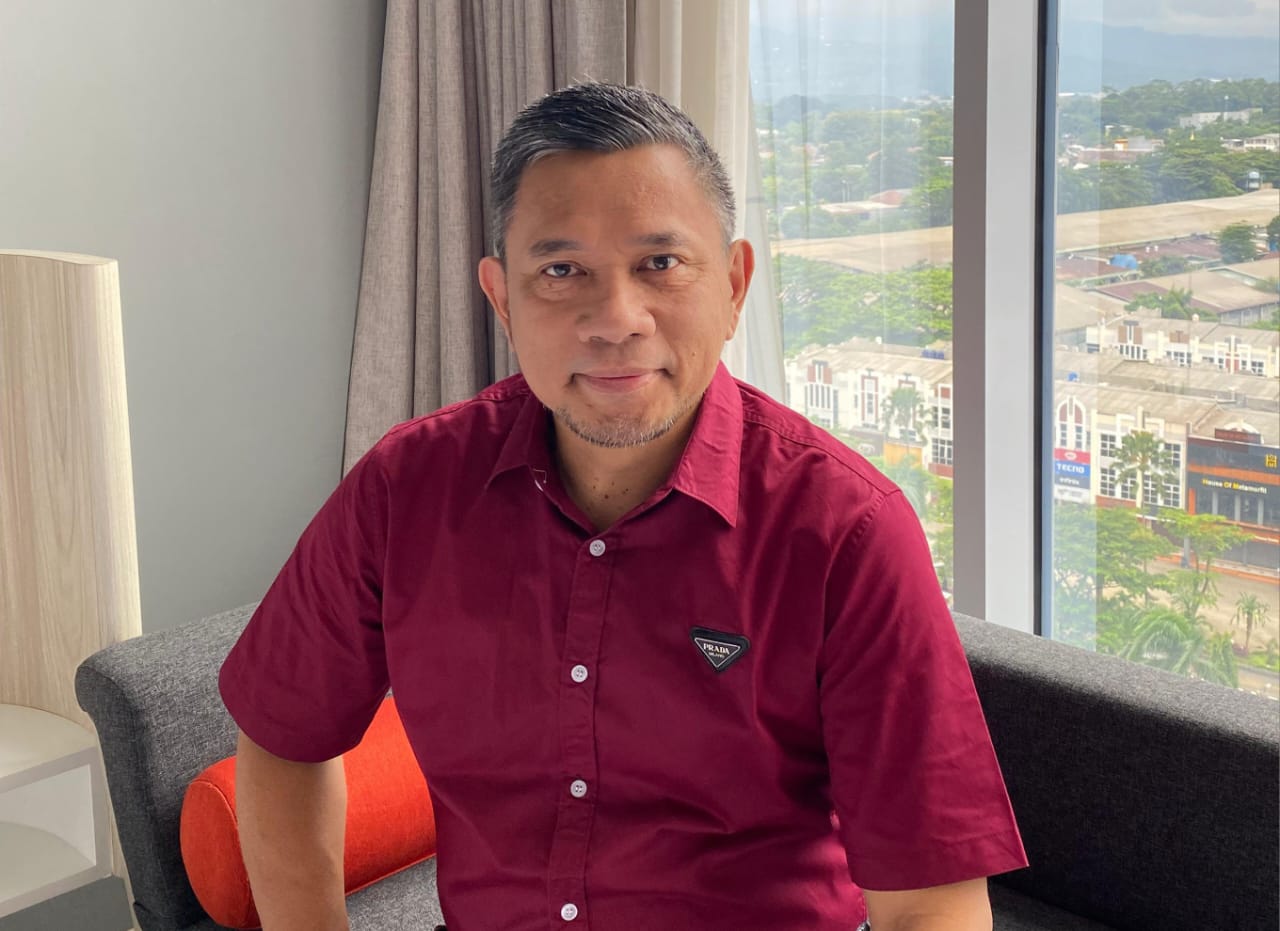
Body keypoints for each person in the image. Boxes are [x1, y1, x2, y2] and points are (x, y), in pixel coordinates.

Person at [220, 82, 1028, 931]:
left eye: (660, 264)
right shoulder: (404, 489)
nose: (615, 320)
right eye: (561, 271)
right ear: (502, 299)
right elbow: (281, 737)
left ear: (735, 285)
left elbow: (930, 902)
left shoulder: (845, 529)